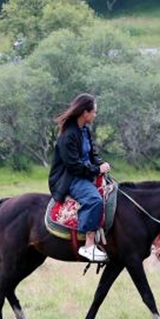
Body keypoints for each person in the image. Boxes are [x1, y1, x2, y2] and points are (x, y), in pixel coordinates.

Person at [48, 93, 112, 262]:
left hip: (84, 173)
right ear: (85, 112)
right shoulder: (68, 135)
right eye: (94, 112)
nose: (95, 115)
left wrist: (101, 164)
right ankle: (89, 245)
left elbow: (92, 153)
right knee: (95, 201)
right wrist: (97, 169)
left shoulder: (84, 130)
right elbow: (74, 166)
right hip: (69, 179)